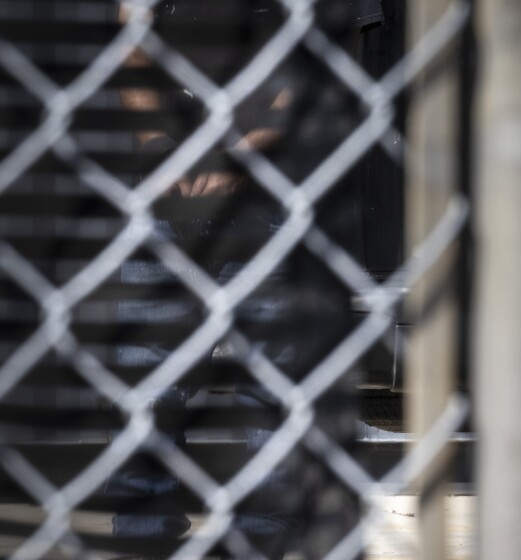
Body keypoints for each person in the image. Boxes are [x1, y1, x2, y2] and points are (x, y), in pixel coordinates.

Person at [105, 1, 382, 557]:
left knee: (275, 403)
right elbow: (129, 38)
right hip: (168, 197)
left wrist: (236, 155)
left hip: (273, 192)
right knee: (151, 389)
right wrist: (163, 147)